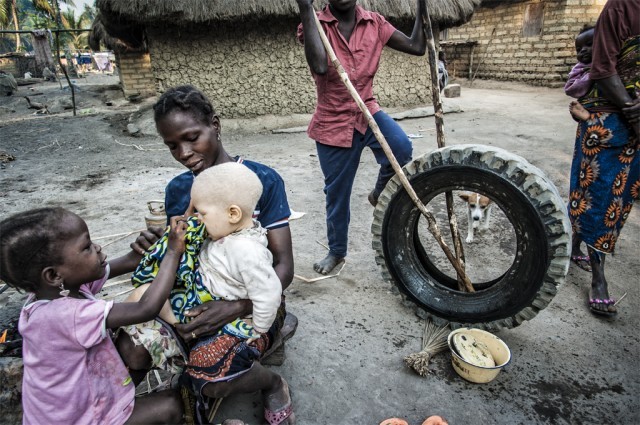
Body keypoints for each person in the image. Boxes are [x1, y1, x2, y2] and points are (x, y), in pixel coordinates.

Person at [115, 85, 296, 424]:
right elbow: (179, 258)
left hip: (254, 299)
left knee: (211, 376)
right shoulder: (179, 189)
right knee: (132, 349)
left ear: (215, 124)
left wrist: (237, 307)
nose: (183, 152)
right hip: (193, 297)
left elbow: (283, 267)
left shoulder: (262, 181)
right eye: (172, 145)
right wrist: (160, 247)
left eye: (192, 137)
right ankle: (115, 410)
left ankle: (272, 384)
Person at [0, 207, 186, 425]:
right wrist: (173, 252)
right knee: (170, 406)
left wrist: (144, 251)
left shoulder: (60, 290)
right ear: (53, 275)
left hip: (62, 411)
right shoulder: (64, 315)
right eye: (86, 247)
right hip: (78, 419)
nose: (97, 247)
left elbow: (126, 262)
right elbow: (146, 308)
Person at [295, 0, 427, 274]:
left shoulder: (375, 23)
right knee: (337, 194)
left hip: (368, 110)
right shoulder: (315, 24)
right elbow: (320, 66)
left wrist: (422, 6)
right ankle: (336, 251)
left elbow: (417, 47)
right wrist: (305, 8)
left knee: (401, 148)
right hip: (333, 121)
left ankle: (379, 191)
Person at [567, 0, 639, 318]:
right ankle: (598, 278)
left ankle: (578, 251)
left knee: (619, 200)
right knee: (597, 200)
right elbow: (598, 72)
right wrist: (631, 110)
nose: (584, 53)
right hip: (607, 126)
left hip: (627, 130)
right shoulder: (622, 9)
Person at [564, 25, 595, 271]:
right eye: (579, 48)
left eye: (589, 46)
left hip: (613, 139)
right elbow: (573, 90)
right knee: (582, 195)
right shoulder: (582, 71)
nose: (583, 52)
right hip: (590, 138)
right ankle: (574, 246)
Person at [565, 25, 595, 124]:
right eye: (578, 49)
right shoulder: (579, 68)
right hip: (588, 105)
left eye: (589, 44)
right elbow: (571, 88)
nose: (583, 50)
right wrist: (590, 74)